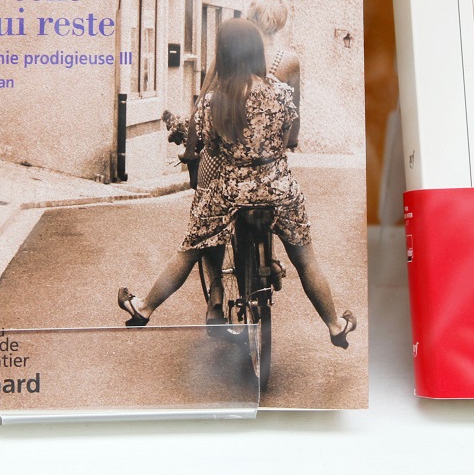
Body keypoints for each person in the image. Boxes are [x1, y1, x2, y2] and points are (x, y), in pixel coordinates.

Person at [117, 18, 356, 349]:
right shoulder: (281, 92)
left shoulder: (214, 100)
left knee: (189, 250)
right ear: (256, 50)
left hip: (229, 191)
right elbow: (289, 139)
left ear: (224, 53)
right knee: (306, 260)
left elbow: (209, 147)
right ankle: (334, 325)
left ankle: (143, 308)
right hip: (279, 189)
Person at [247, 0, 299, 148]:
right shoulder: (289, 61)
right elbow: (294, 113)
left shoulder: (232, 53)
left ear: (251, 18)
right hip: (269, 152)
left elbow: (203, 103)